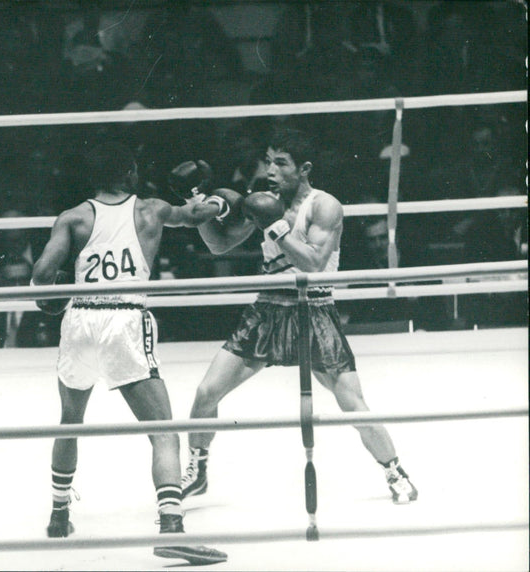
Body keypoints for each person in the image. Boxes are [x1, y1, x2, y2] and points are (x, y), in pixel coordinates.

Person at [181, 128, 418, 504]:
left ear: (303, 168)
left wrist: (275, 227)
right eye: (269, 160)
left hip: (314, 306)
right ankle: (197, 468)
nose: (271, 169)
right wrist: (199, 207)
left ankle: (394, 470)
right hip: (268, 308)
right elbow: (219, 244)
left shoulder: (325, 206)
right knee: (206, 392)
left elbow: (314, 261)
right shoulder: (263, 200)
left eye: (281, 163)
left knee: (352, 403)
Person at [32, 142, 228, 565]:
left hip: (80, 320)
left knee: (71, 421)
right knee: (163, 432)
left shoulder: (73, 218)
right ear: (129, 174)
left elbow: (42, 278)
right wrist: (213, 195)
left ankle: (58, 513)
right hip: (124, 319)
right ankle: (173, 527)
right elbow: (202, 215)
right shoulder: (151, 210)